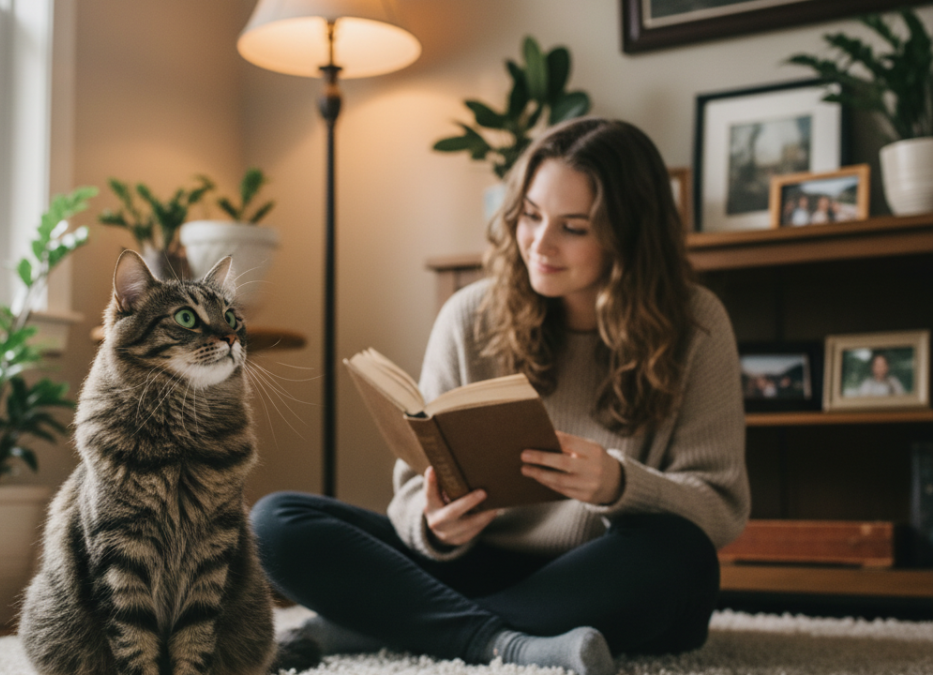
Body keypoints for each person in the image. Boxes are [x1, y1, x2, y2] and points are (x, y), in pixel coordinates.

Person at [251, 118, 750, 675]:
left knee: (682, 558)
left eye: (575, 227)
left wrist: (619, 484)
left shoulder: (695, 325)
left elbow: (720, 505)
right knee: (272, 524)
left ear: (629, 234)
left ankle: (379, 627)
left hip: (601, 571)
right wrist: (436, 524)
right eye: (530, 216)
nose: (540, 243)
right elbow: (413, 491)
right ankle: (505, 642)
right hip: (473, 564)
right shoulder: (472, 314)